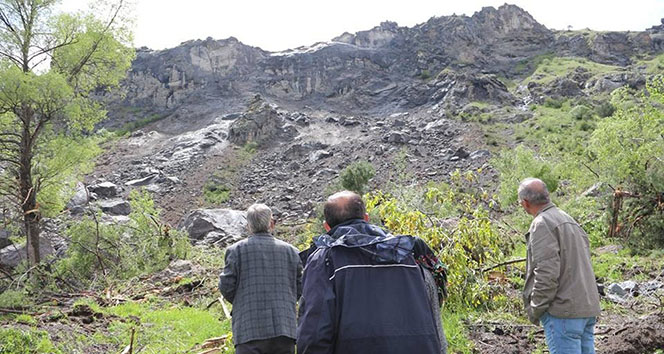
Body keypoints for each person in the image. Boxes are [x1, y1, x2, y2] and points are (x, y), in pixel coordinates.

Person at [297, 191, 446, 354]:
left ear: (326, 226)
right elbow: (434, 313)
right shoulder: (407, 252)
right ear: (366, 218)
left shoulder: (325, 259)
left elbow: (315, 330)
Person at [519, 178, 601, 354]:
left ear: (525, 203)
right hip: (585, 308)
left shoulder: (542, 224)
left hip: (563, 312)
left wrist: (536, 308)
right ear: (547, 196)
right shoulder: (568, 219)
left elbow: (546, 273)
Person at [219, 203, 302, 354]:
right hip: (284, 328)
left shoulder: (235, 251)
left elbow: (226, 286)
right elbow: (300, 286)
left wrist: (243, 302)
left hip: (248, 328)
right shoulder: (292, 252)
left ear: (248, 225)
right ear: (271, 223)